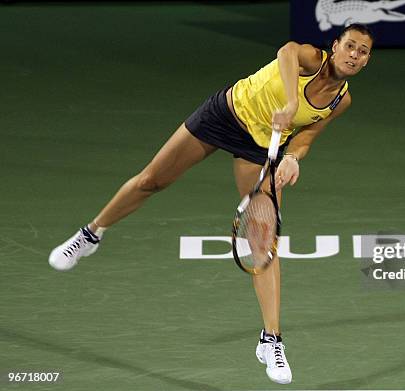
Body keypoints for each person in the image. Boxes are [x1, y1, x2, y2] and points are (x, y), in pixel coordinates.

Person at [48, 24, 374, 385]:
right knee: (152, 180)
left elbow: (310, 133)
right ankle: (91, 235)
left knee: (263, 242)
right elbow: (287, 51)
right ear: (335, 46)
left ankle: (271, 340)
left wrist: (294, 157)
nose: (354, 55)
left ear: (366, 61)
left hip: (261, 148)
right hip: (225, 114)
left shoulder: (340, 100)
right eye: (350, 46)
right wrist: (292, 101)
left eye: (362, 52)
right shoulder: (312, 59)